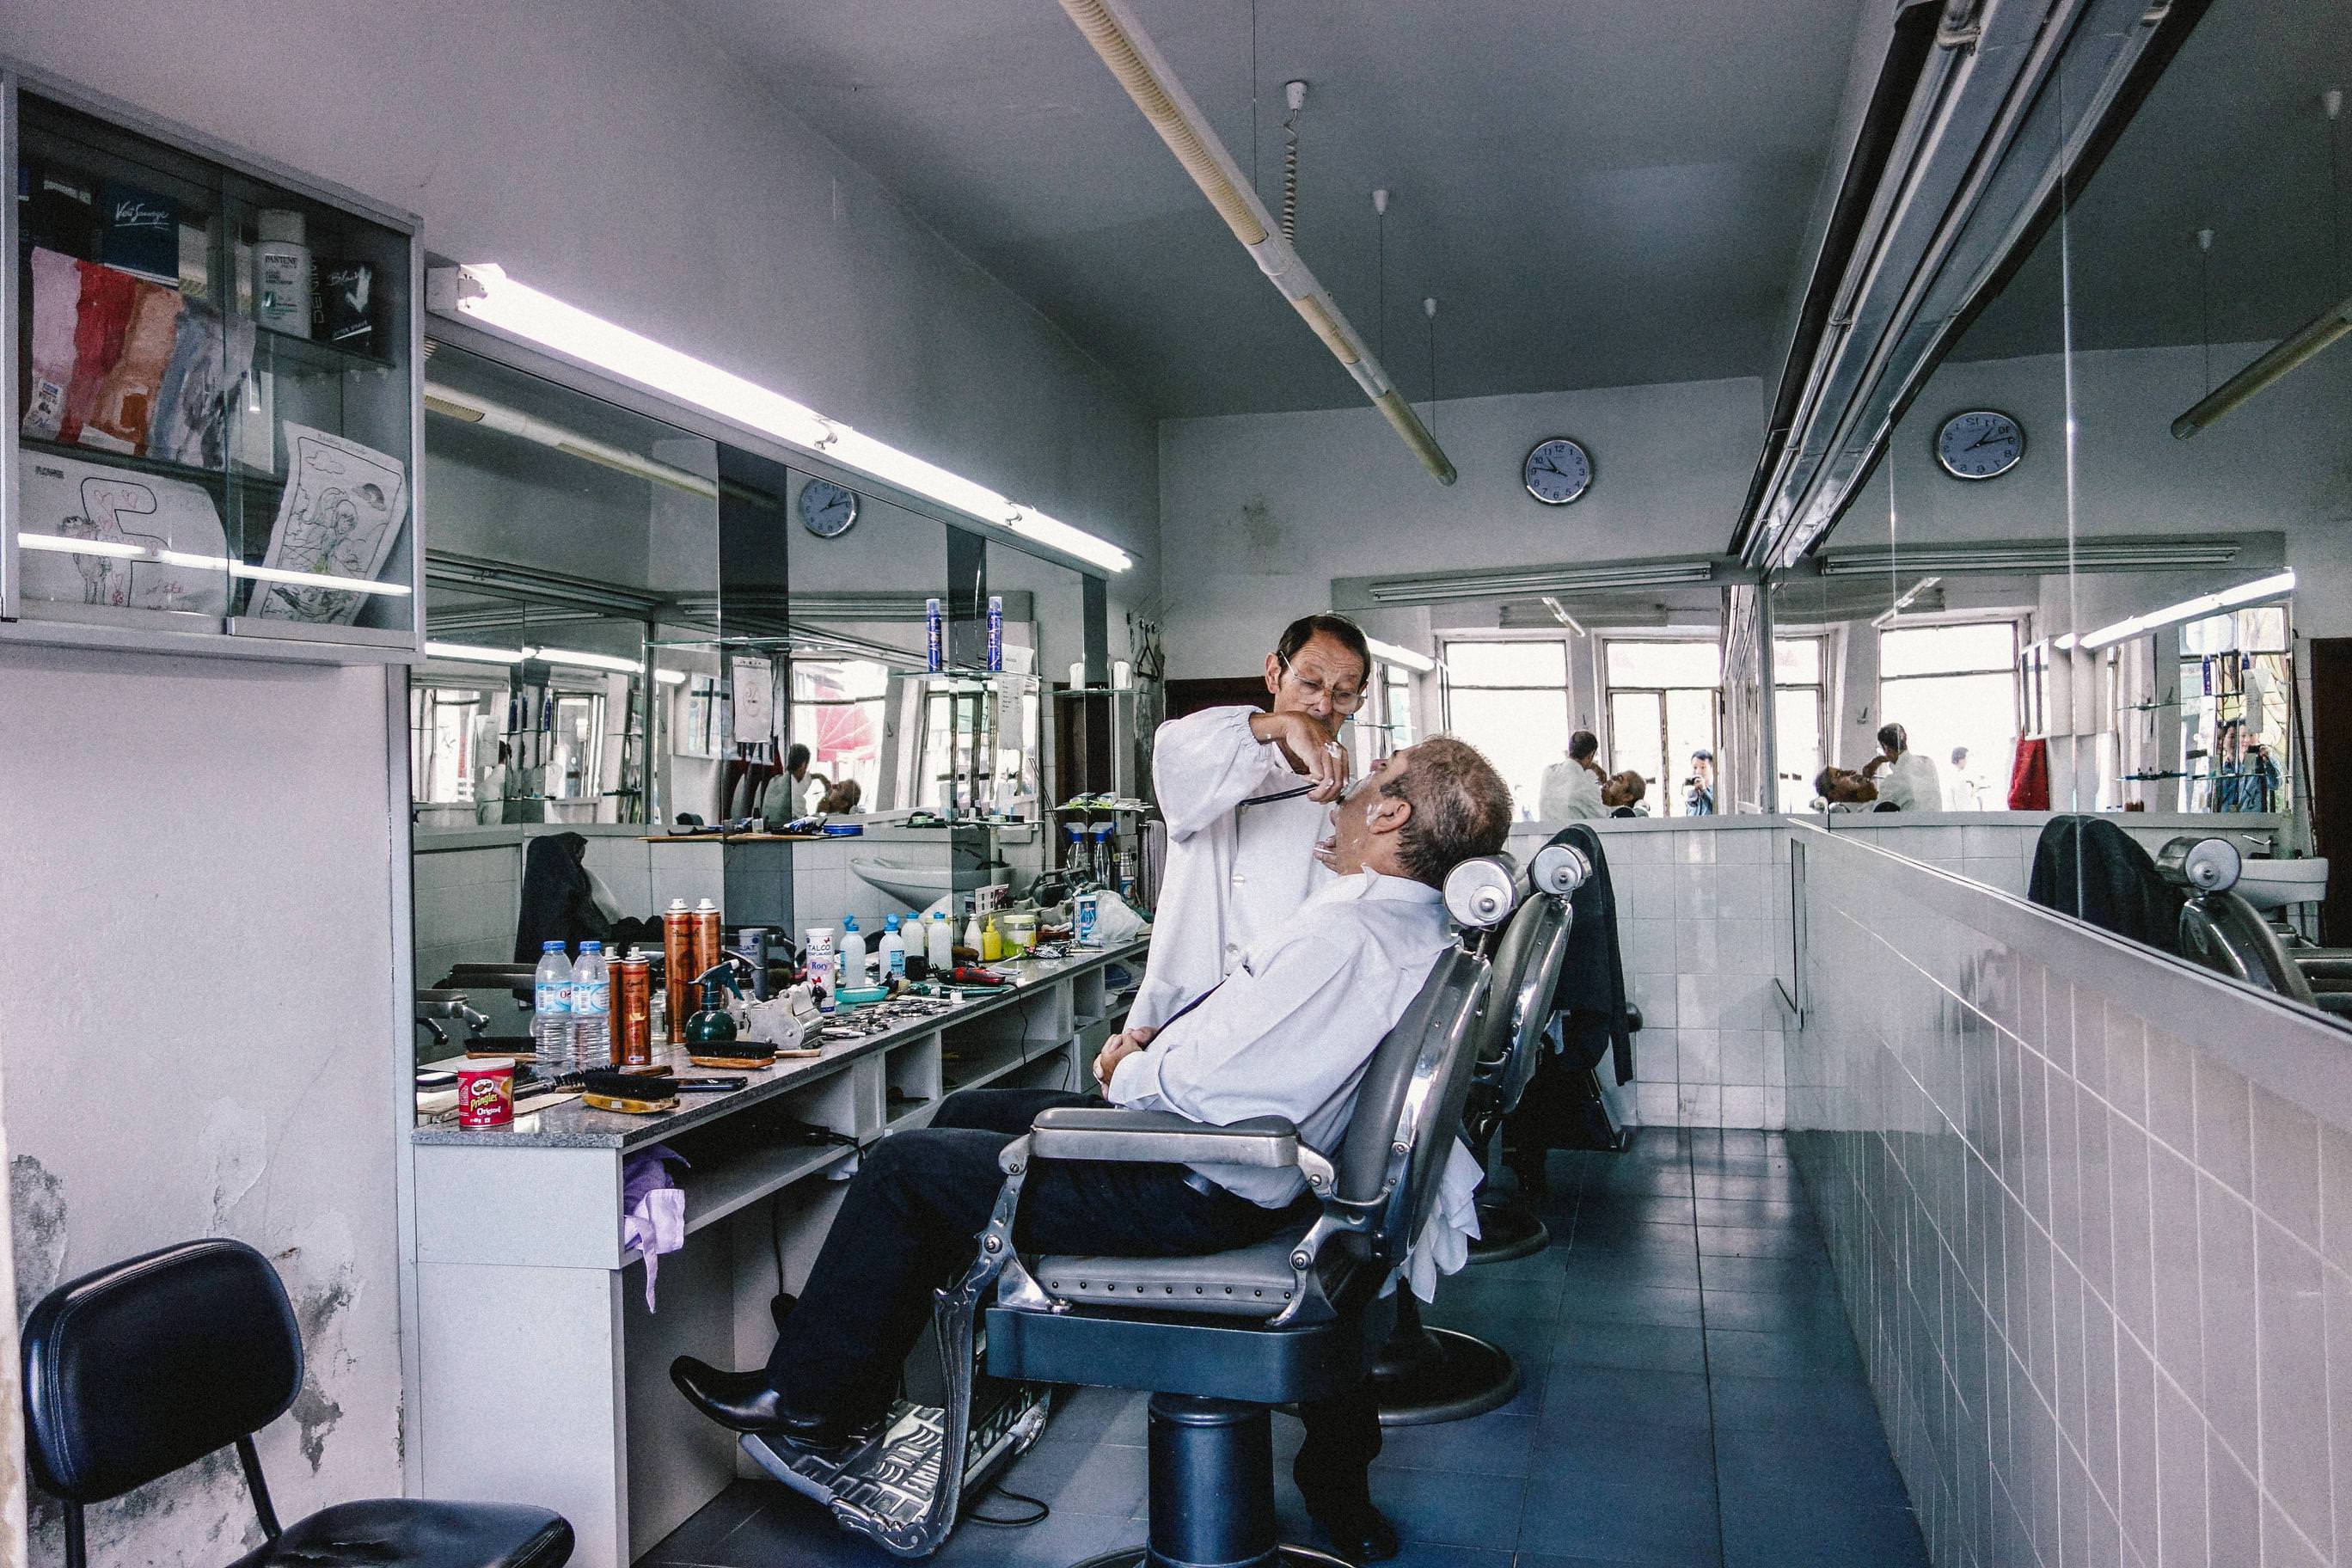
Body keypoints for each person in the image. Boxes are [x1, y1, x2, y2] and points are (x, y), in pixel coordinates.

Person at [670, 738, 1515, 1564]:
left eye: (1377, 777)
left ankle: (811, 1400)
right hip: (1243, 1164)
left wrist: (1131, 1066)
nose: (1357, 785)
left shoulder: (1347, 937)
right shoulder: (1408, 926)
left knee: (901, 1168)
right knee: (972, 1106)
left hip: (1198, 1181)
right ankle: (852, 1343)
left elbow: (1217, 1090)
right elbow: (1260, 1056)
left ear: (1394, 812)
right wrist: (1161, 1056)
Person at [1130, 613, 1369, 1029]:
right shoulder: (1219, 752)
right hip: (1188, 1000)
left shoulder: (1353, 802)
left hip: (1283, 1013)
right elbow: (1173, 748)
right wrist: (1283, 724)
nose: (1323, 706)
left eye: (1344, 694)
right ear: (1275, 673)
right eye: (1310, 684)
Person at [1862, 722, 1942, 812]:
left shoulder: (1892, 782)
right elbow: (1903, 760)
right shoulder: (1927, 762)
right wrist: (1878, 760)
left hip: (1911, 824)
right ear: (1905, 739)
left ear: (1887, 749)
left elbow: (1876, 816)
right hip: (1935, 823)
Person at [1537, 731, 1608, 821]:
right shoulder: (1587, 786)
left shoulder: (1548, 772)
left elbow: (1573, 765)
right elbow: (1602, 818)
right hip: (1573, 834)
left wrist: (1592, 765)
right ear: (1591, 755)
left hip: (1547, 833)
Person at [1684, 749, 1716, 816]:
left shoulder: (1716, 792)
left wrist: (1703, 790)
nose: (1698, 772)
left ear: (1711, 769)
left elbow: (1716, 809)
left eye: (1703, 767)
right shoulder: (1691, 795)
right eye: (1695, 767)